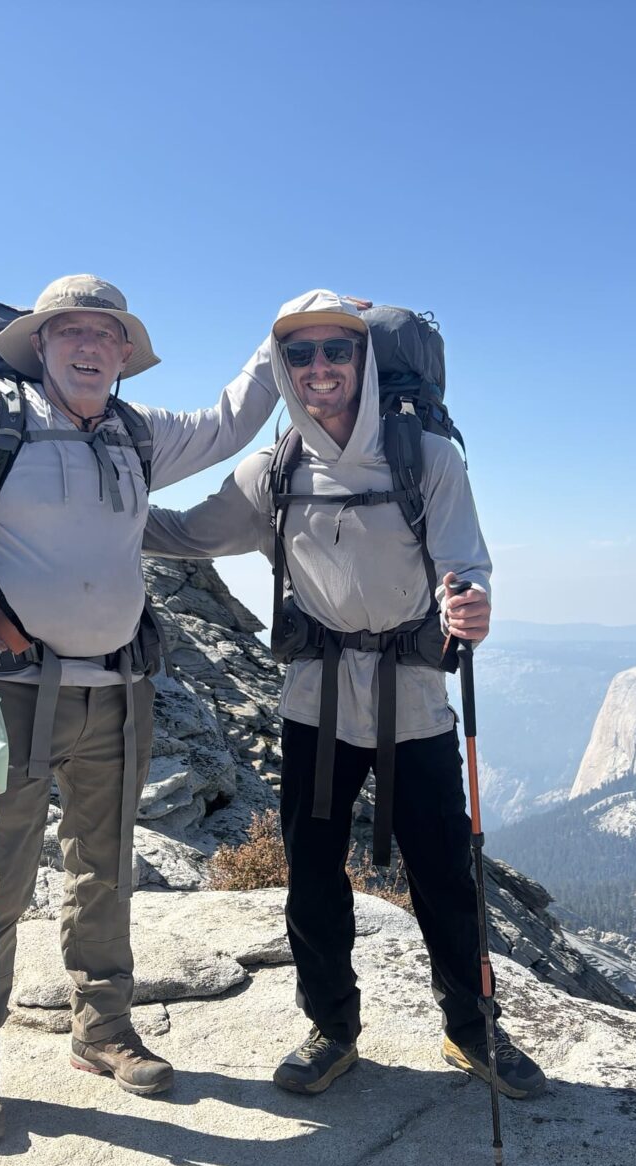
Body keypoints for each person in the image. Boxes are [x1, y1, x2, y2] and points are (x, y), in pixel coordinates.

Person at [0, 275, 278, 1141]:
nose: (91, 346)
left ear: (126, 354)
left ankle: (102, 1028)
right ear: (42, 345)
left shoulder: (137, 436)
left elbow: (228, 422)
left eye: (107, 334)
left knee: (105, 864)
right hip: (4, 695)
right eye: (71, 331)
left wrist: (285, 336)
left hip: (118, 690)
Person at [144, 290, 547, 1099]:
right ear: (282, 368)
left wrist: (468, 604)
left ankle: (472, 1029)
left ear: (363, 359)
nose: (320, 368)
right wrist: (94, 514)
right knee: (312, 874)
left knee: (445, 874)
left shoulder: (426, 455)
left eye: (338, 350)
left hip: (415, 699)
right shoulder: (274, 470)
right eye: (301, 354)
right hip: (315, 704)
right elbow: (187, 536)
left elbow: (466, 565)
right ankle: (332, 1028)